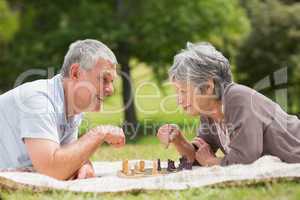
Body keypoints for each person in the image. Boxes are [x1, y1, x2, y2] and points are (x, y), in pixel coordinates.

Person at [157, 42, 300, 167]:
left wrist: (213, 162)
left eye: (183, 91)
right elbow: (199, 157)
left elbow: (246, 160)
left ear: (208, 87)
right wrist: (178, 140)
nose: (179, 100)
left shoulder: (239, 99)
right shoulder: (208, 112)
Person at [0, 39, 125, 180]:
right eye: (104, 79)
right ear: (76, 73)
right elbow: (53, 171)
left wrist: (84, 165)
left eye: (111, 81)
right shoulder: (39, 100)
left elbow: (68, 157)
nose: (110, 89)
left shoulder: (72, 108)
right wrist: (99, 133)